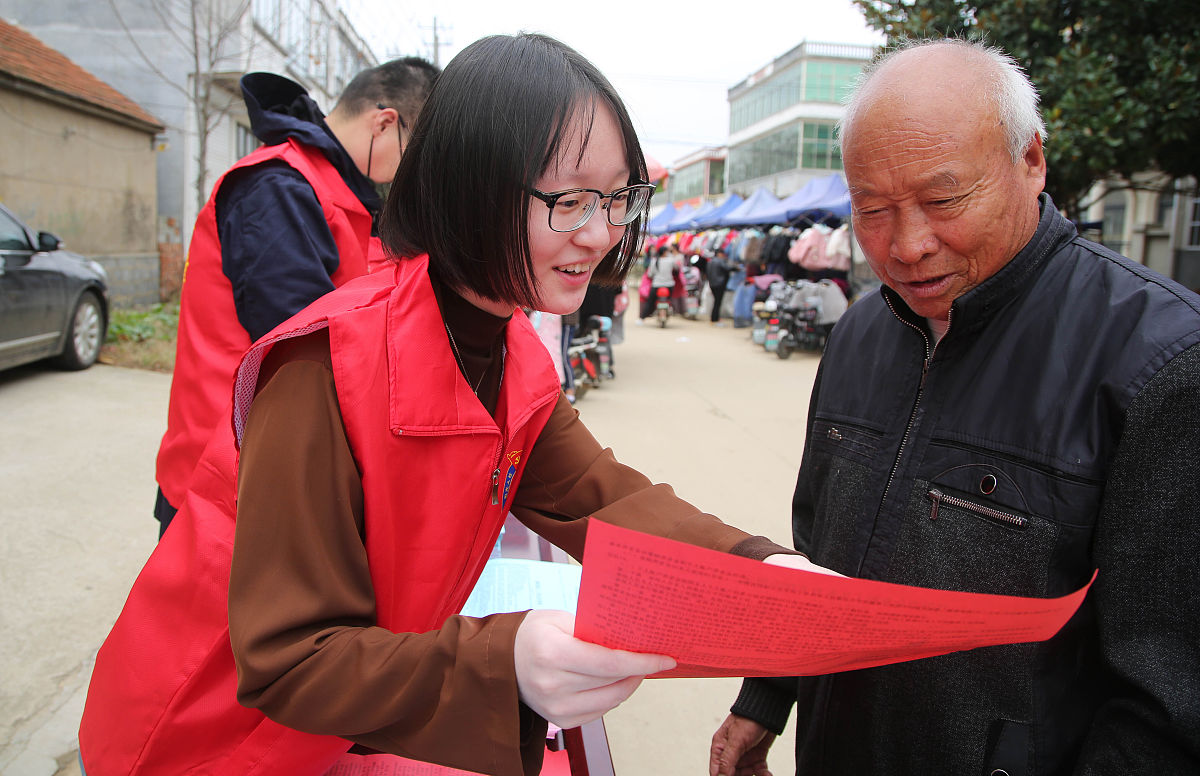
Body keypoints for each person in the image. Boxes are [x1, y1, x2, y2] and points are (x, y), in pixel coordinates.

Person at [80, 34, 830, 776]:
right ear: (472, 185)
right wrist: (507, 661)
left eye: (619, 198)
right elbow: (287, 659)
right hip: (201, 735)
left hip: (333, 733)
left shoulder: (512, 354)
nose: (603, 233)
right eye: (570, 200)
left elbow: (600, 495)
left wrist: (760, 564)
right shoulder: (323, 366)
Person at [711, 38, 1200, 776]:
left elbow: (1168, 704)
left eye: (943, 201)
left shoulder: (1160, 363)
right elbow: (819, 546)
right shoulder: (862, 332)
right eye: (872, 210)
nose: (907, 246)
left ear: (1030, 160)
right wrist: (768, 693)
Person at [152, 58, 438, 536]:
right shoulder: (278, 188)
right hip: (226, 477)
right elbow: (301, 347)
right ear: (385, 123)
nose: (406, 172)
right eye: (415, 152)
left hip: (270, 467)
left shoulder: (331, 190)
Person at [706, 247, 732, 324]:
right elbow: (727, 268)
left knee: (716, 301)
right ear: (719, 254)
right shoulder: (720, 261)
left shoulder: (710, 262)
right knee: (717, 302)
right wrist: (737, 268)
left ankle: (714, 317)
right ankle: (715, 318)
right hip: (719, 284)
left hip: (712, 284)